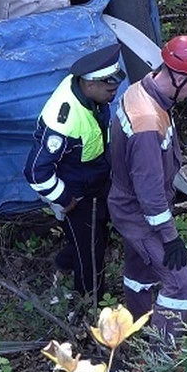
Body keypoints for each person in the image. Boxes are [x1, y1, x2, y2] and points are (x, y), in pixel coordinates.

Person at [108, 35, 187, 347]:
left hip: (131, 208)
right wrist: (170, 238)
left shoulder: (142, 92)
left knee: (140, 272)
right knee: (181, 285)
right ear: (179, 77)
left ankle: (138, 330)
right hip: (139, 215)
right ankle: (159, 361)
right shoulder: (147, 120)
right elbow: (150, 193)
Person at [24, 44, 124, 299]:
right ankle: (91, 302)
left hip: (97, 178)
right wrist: (65, 199)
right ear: (90, 85)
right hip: (78, 193)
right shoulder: (63, 120)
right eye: (111, 90)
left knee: (98, 233)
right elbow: (36, 171)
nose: (115, 94)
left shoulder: (90, 91)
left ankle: (64, 263)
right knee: (91, 253)